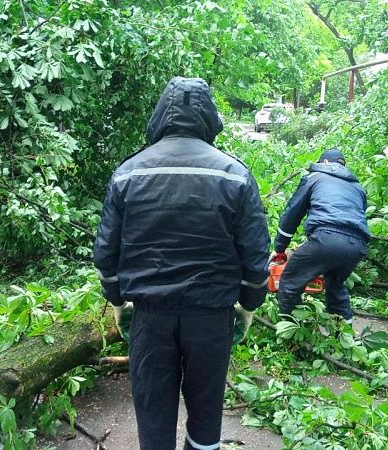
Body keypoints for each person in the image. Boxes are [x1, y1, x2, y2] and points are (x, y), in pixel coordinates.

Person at [93, 77, 270, 450]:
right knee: (206, 411)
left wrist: (116, 300)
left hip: (150, 316)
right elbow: (256, 256)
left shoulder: (128, 173)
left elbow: (106, 252)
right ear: (209, 117)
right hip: (211, 316)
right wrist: (249, 305)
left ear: (160, 116)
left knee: (153, 412)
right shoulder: (233, 174)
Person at [272, 149, 370, 325]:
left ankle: (293, 335)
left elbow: (293, 213)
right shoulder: (358, 188)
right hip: (357, 245)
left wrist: (279, 248)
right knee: (336, 288)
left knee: (289, 282)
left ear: (324, 162)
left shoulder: (315, 177)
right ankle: (346, 340)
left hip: (326, 238)